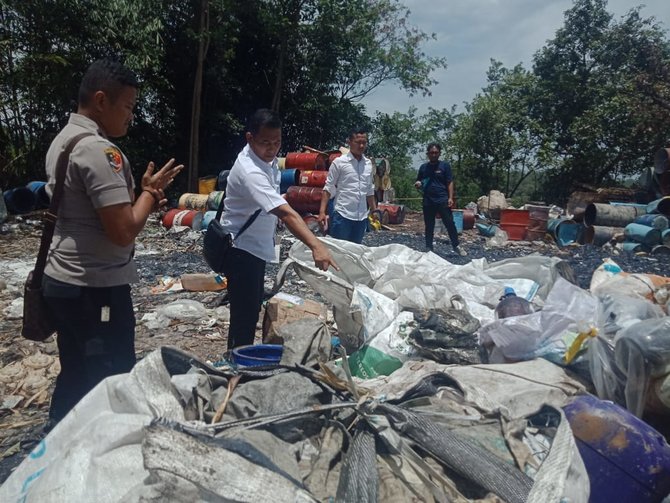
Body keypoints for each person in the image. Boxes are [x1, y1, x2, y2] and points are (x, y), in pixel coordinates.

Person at [42, 59, 183, 425]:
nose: (130, 117)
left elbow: (95, 215)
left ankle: (58, 445)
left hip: (64, 280)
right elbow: (122, 231)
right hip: (96, 288)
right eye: (128, 107)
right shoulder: (100, 152)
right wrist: (150, 194)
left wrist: (142, 199)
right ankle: (103, 454)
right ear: (102, 100)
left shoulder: (63, 140)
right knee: (112, 379)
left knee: (74, 374)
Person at [220, 109, 338, 350]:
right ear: (249, 138)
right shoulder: (249, 170)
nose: (272, 148)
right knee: (244, 315)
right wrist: (316, 245)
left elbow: (273, 198)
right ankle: (236, 366)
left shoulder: (266, 160)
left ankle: (240, 359)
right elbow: (283, 210)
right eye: (265, 143)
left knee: (251, 309)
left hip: (256, 247)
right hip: (241, 250)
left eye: (277, 142)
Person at [317, 128, 378, 243]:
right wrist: (322, 213)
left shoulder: (368, 164)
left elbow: (369, 190)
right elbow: (328, 188)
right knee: (339, 251)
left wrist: (374, 210)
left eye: (364, 143)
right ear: (349, 142)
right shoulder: (339, 163)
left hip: (361, 217)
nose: (361, 146)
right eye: (358, 142)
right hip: (342, 215)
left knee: (355, 252)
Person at [415, 142, 467, 256]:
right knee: (429, 225)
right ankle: (429, 247)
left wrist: (450, 197)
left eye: (436, 152)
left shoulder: (444, 166)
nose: (434, 154)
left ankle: (456, 245)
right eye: (431, 152)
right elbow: (419, 180)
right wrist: (418, 184)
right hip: (428, 200)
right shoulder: (424, 167)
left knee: (449, 223)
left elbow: (450, 182)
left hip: (442, 199)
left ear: (439, 153)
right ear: (427, 154)